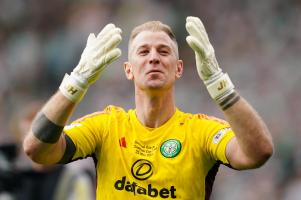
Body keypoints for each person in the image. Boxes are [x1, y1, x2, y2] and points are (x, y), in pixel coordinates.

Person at [23, 16, 274, 199]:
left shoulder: (201, 131)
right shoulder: (106, 126)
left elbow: (257, 153)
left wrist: (218, 83)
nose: (153, 57)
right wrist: (77, 80)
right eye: (143, 51)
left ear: (178, 68)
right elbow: (37, 150)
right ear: (128, 70)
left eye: (163, 51)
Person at [9, 101, 95, 200]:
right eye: (26, 136)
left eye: (38, 136)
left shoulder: (75, 177)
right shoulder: (16, 179)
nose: (34, 144)